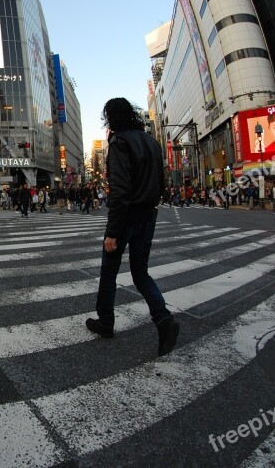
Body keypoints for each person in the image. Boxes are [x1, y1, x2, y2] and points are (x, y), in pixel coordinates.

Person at [86, 97, 179, 357]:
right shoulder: (152, 142)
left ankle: (106, 322)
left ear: (111, 117)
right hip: (148, 216)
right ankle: (164, 320)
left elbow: (120, 191)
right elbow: (161, 186)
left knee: (109, 272)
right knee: (141, 273)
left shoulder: (119, 143)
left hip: (125, 218)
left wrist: (113, 232)